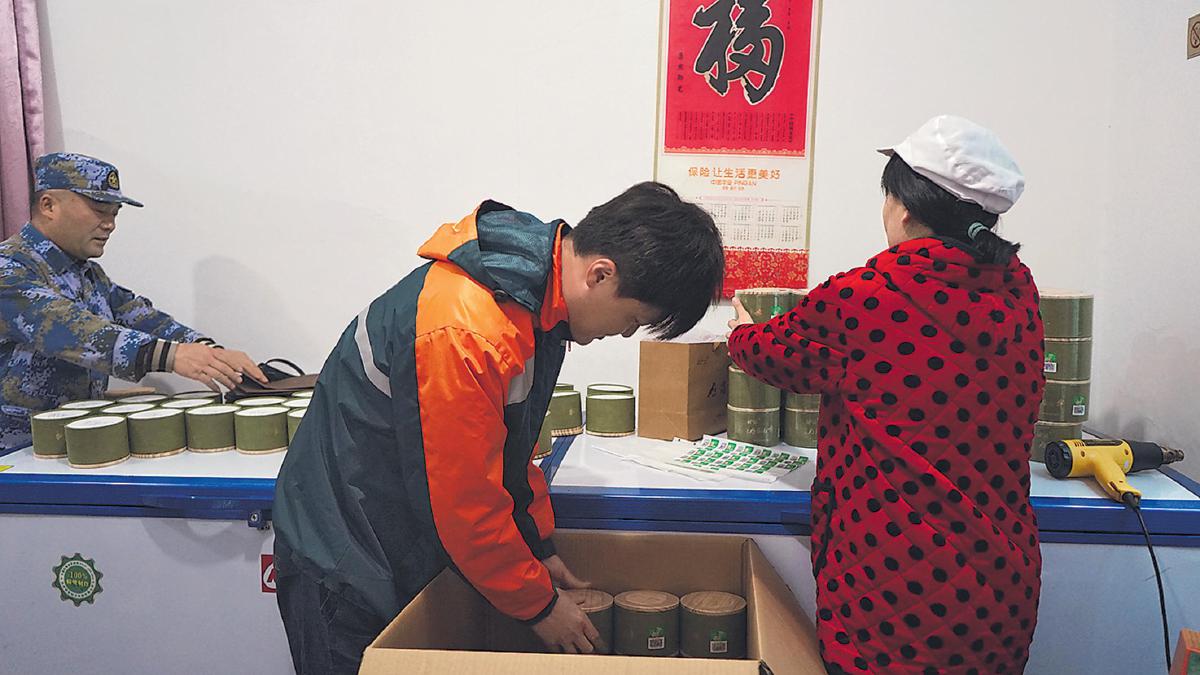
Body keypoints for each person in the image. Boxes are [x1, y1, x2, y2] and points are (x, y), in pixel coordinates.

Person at [273, 182, 725, 673]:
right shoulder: (466, 328)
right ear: (600, 274)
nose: (624, 332)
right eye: (633, 319)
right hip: (345, 555)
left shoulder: (534, 306)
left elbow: (507, 453)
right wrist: (540, 606)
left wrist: (536, 549)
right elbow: (462, 499)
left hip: (396, 538)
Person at [728, 116, 1043, 674]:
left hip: (892, 589)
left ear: (905, 210)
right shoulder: (1018, 294)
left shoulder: (868, 295)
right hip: (999, 590)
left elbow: (777, 355)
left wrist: (741, 333)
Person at [0, 153, 266, 451]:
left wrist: (210, 351)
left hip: (73, 446)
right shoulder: (9, 268)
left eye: (114, 214)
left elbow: (139, 317)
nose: (109, 225)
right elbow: (68, 328)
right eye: (99, 210)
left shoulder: (87, 274)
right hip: (16, 451)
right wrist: (171, 356)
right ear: (49, 205)